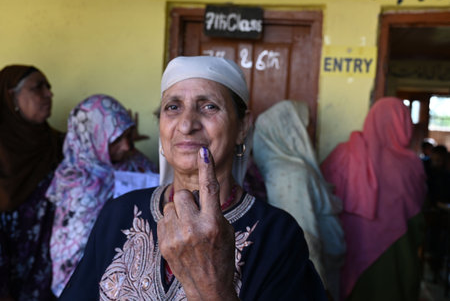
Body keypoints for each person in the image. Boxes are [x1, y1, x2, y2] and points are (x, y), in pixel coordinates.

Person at [59, 56, 327, 300]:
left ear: (242, 127)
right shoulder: (118, 215)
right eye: (173, 107)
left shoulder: (276, 234)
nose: (186, 125)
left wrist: (212, 288)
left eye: (209, 106)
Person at [45, 94, 156, 297]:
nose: (127, 146)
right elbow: (70, 256)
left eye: (129, 135)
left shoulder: (137, 163)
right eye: (115, 140)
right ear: (92, 139)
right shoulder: (77, 184)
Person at [320, 97, 426, 301]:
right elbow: (418, 214)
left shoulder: (345, 153)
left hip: (351, 250)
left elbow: (323, 199)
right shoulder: (412, 165)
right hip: (399, 252)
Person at [253, 100, 346, 300]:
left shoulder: (284, 167)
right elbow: (306, 238)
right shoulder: (291, 174)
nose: (311, 130)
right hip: (316, 279)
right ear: (288, 130)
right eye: (305, 125)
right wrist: (322, 289)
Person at [0, 65, 64, 301]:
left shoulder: (59, 144)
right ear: (11, 96)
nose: (49, 94)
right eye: (38, 87)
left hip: (46, 275)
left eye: (48, 87)